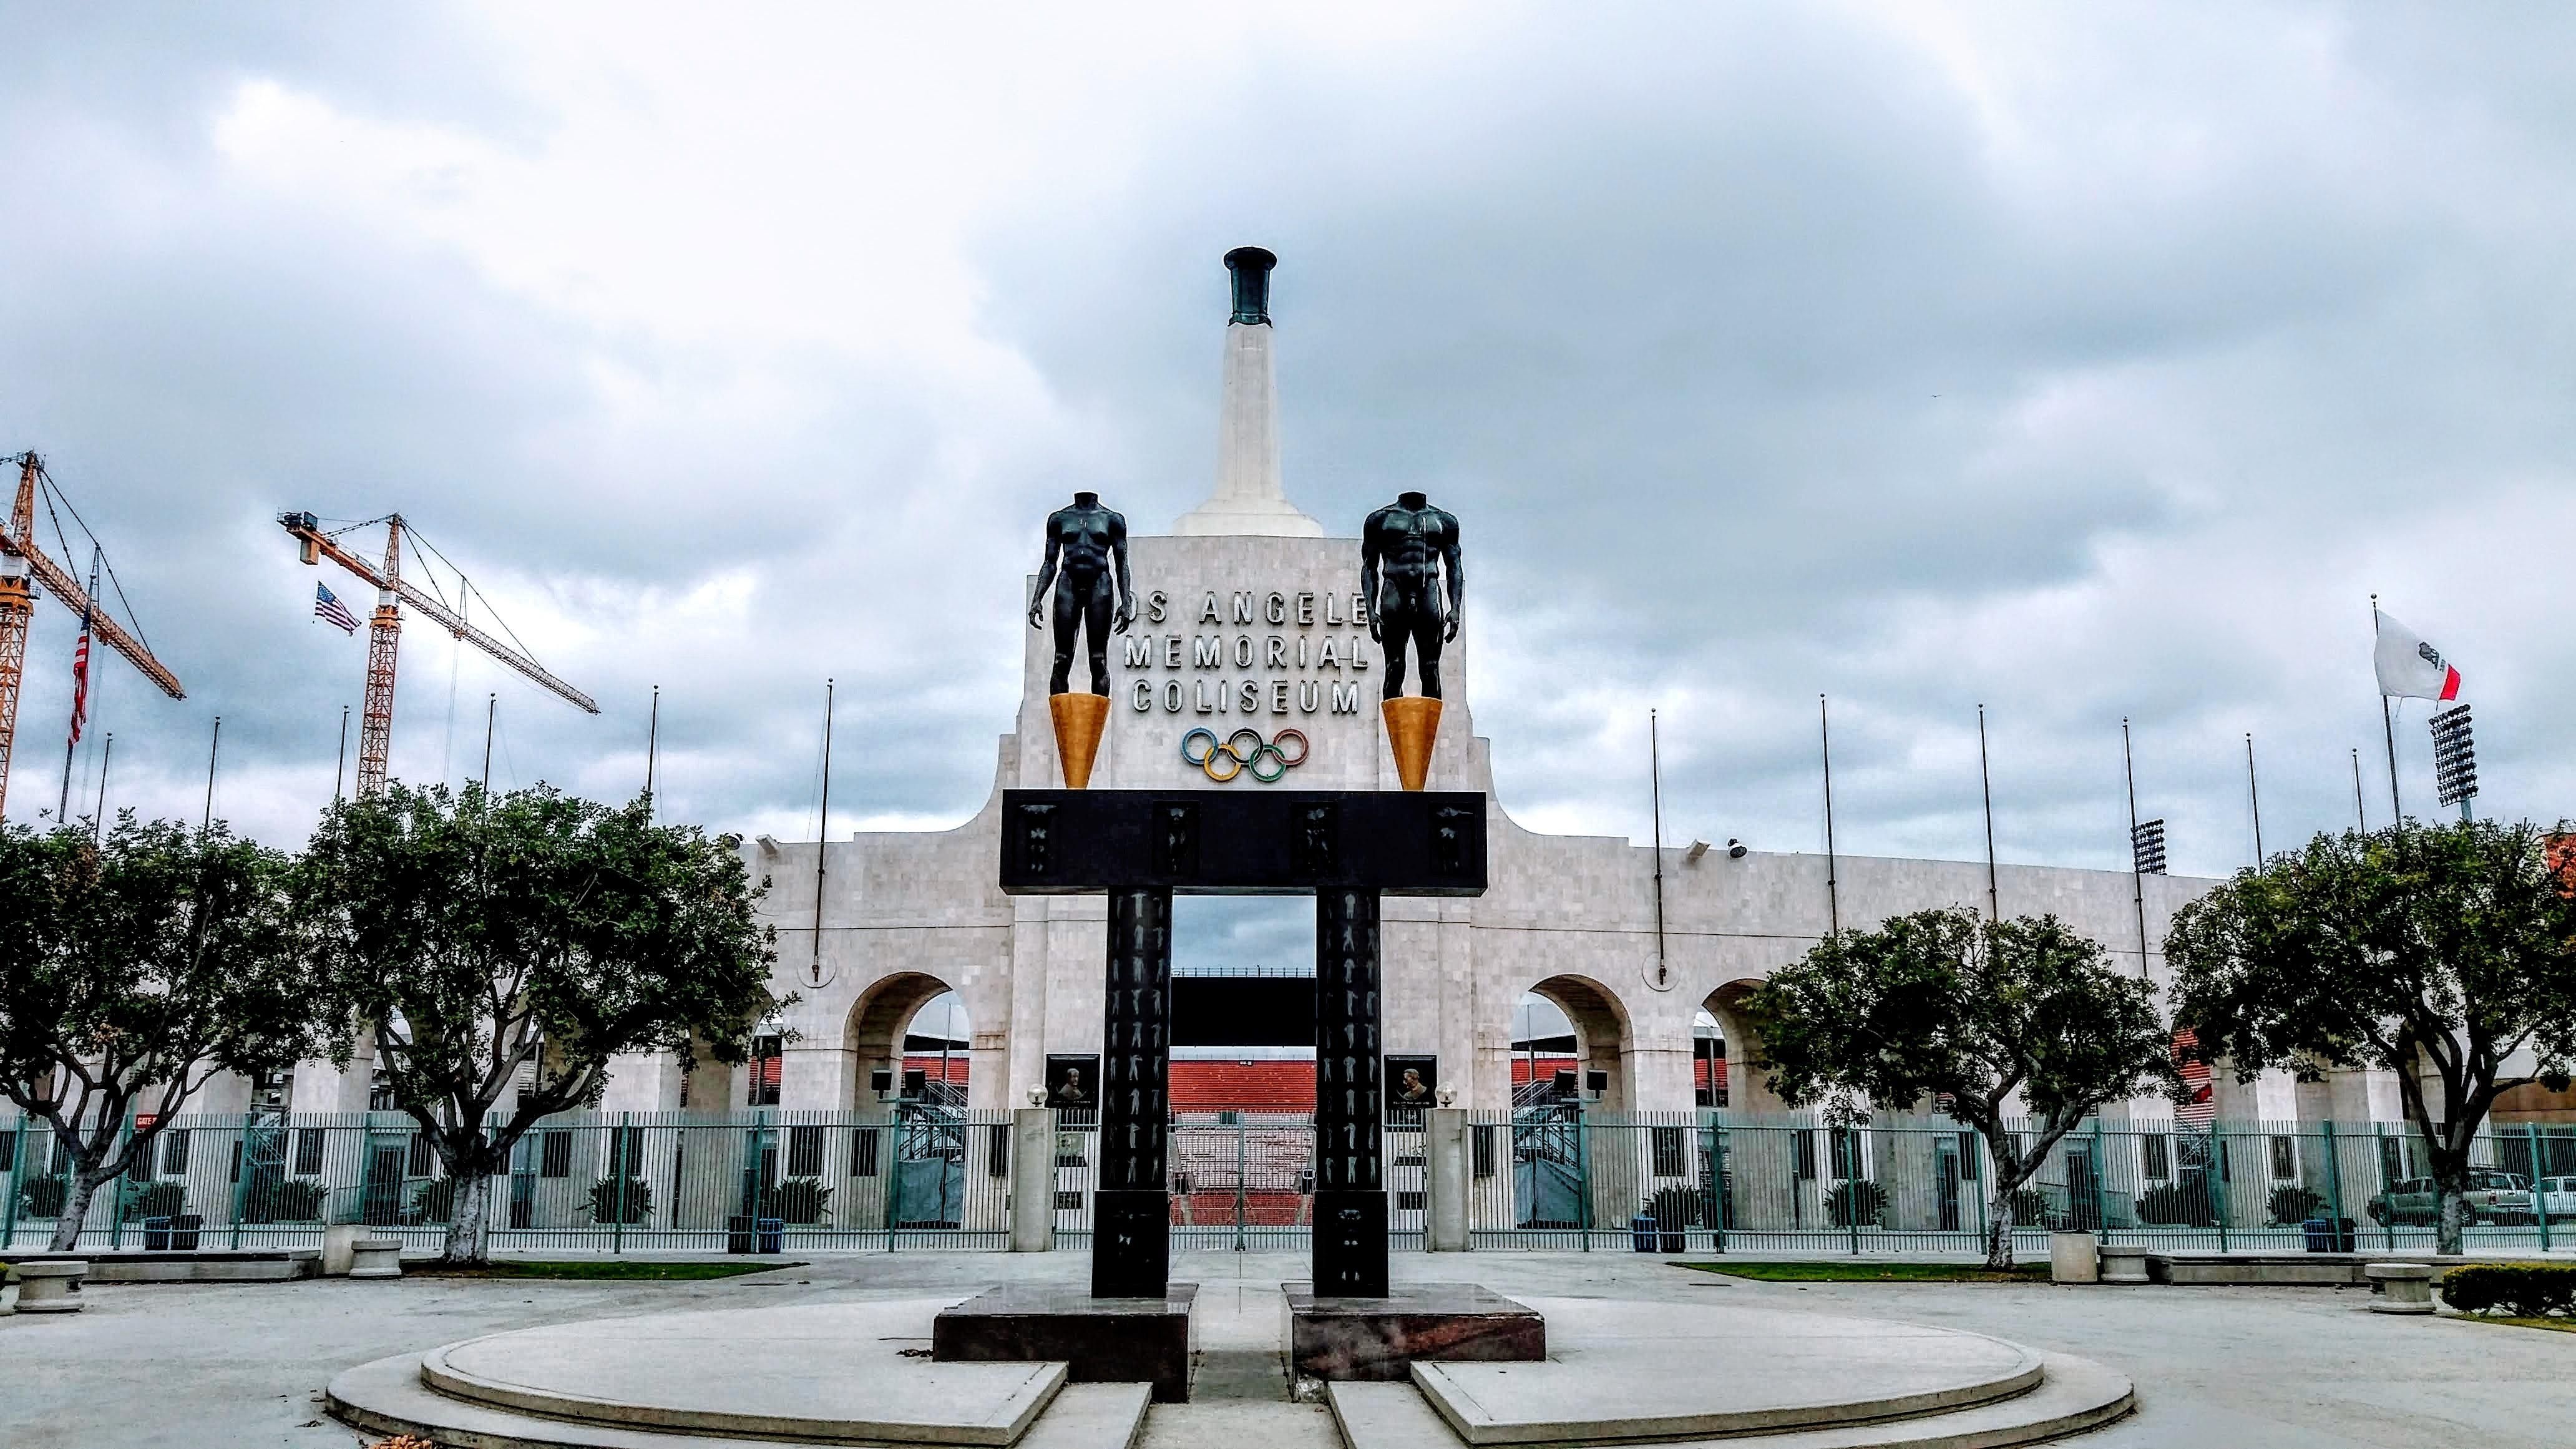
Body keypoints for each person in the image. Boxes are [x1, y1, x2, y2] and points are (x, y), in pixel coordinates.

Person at [1028, 492, 1135, 695]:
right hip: (1069, 584)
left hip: (1100, 585)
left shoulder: (1113, 520)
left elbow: (1122, 564)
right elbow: (1050, 563)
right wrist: (1037, 598)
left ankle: (1097, 726)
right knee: (1061, 660)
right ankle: (1062, 725)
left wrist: (1126, 602)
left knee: (1098, 660)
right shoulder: (1059, 519)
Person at [1359, 491, 1463, 700]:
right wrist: (1370, 610)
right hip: (1394, 589)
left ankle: (1428, 732)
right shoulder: (1380, 519)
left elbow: (1454, 567)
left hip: (1428, 590)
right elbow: (1369, 567)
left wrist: (1455, 609)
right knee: (1394, 668)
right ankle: (1396, 732)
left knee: (1431, 669)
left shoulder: (1444, 521)